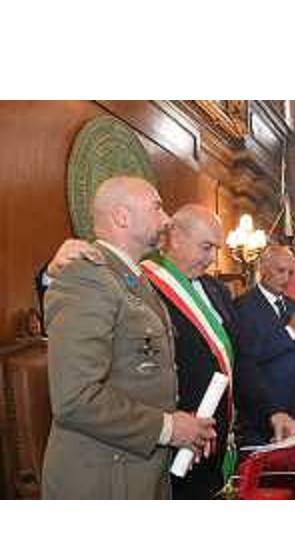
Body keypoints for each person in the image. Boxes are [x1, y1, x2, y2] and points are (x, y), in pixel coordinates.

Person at [45, 203, 266, 499]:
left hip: (205, 441)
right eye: (206, 247)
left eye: (216, 248)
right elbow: (78, 356)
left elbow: (238, 355)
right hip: (150, 448)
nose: (213, 258)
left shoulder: (217, 289)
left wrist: (269, 411)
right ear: (177, 240)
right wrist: (51, 274)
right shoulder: (132, 280)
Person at [235, 246, 295, 444]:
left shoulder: (293, 305)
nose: (286, 278)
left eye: (291, 272)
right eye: (281, 271)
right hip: (268, 418)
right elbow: (250, 359)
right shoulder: (242, 307)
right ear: (263, 269)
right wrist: (290, 329)